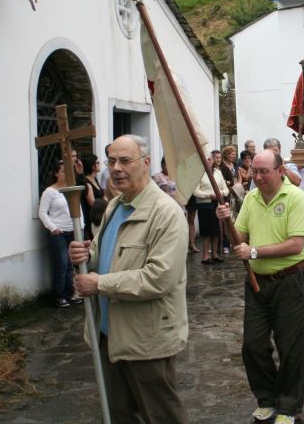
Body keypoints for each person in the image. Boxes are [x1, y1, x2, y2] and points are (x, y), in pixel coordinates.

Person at [68, 135, 190, 423]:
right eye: (111, 161)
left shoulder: (166, 213)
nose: (116, 168)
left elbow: (159, 278)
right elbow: (104, 256)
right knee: (120, 414)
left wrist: (99, 284)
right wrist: (85, 256)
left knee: (161, 416)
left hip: (146, 339)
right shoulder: (114, 206)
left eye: (125, 160)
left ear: (145, 163)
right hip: (110, 335)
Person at [216, 149, 304, 424]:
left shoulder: (295, 198)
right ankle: (267, 399)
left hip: (290, 281)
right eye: (254, 171)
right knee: (253, 345)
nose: (257, 177)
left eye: (263, 172)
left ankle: (289, 407)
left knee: (291, 347)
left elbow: (297, 244)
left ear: (280, 171)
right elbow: (240, 237)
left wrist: (254, 252)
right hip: (256, 283)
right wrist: (226, 222)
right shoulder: (252, 198)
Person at [38, 159, 83, 308]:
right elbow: (42, 213)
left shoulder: (71, 188)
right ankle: (58, 296)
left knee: (70, 265)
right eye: (64, 171)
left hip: (72, 231)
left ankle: (70, 294)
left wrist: (80, 226)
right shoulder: (50, 192)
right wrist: (53, 228)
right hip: (58, 233)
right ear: (57, 173)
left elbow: (77, 207)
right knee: (62, 264)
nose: (66, 174)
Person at [193, 150, 229, 264]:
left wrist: (220, 194)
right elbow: (195, 192)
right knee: (206, 231)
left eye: (209, 159)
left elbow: (226, 189)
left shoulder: (218, 172)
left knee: (216, 231)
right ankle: (205, 256)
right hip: (204, 205)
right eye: (206, 160)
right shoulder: (198, 173)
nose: (208, 161)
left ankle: (214, 254)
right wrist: (209, 195)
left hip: (216, 204)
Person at [81, 153, 105, 239]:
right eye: (97, 162)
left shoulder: (95, 179)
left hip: (101, 215)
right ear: (92, 166)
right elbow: (92, 202)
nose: (99, 164)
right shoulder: (87, 182)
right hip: (94, 219)